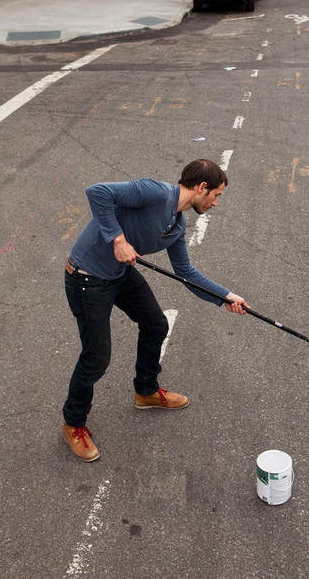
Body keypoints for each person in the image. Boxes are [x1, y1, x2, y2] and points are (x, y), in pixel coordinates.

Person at [63, 159, 248, 462]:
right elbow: (97, 191)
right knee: (96, 358)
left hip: (119, 274)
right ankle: (73, 424)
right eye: (216, 195)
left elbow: (185, 272)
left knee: (156, 325)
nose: (215, 203)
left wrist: (225, 296)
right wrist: (118, 240)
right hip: (87, 277)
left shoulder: (177, 225)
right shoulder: (155, 192)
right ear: (202, 187)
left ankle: (146, 391)